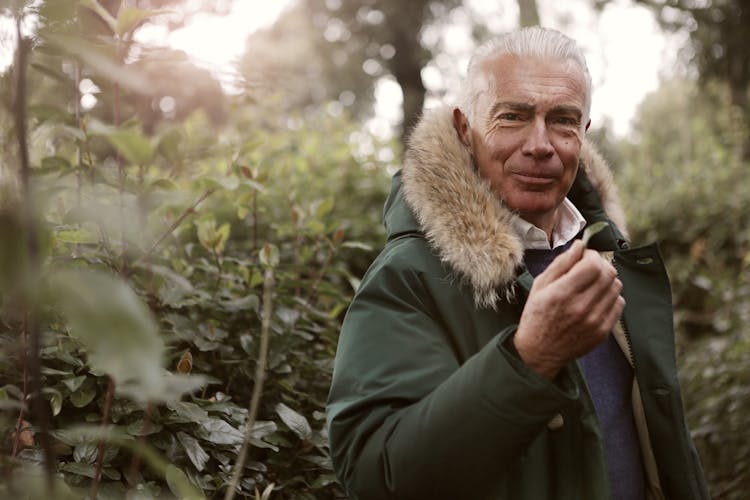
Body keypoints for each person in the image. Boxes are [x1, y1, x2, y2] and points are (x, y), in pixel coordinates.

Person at [326, 27, 710, 500]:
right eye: (513, 116)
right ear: (466, 130)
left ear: (583, 134)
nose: (540, 144)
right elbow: (375, 473)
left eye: (563, 120)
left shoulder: (610, 253)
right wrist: (530, 358)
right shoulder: (409, 276)